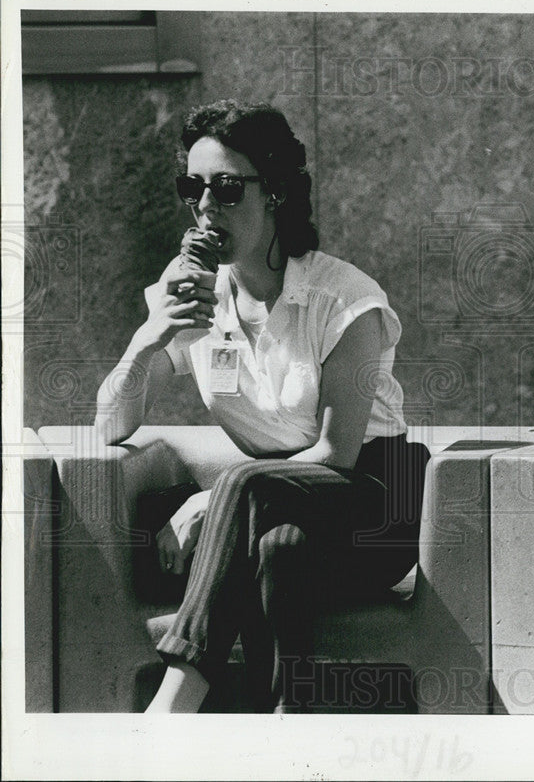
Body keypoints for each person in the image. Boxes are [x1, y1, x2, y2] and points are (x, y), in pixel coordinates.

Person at [94, 100, 428, 713]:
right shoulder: (196, 297)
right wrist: (149, 337)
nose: (205, 207)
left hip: (372, 498)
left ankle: (169, 711)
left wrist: (213, 497)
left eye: (225, 188)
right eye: (191, 188)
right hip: (268, 514)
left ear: (274, 192)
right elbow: (110, 424)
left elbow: (337, 453)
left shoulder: (343, 298)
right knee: (280, 548)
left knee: (256, 508)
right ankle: (287, 724)